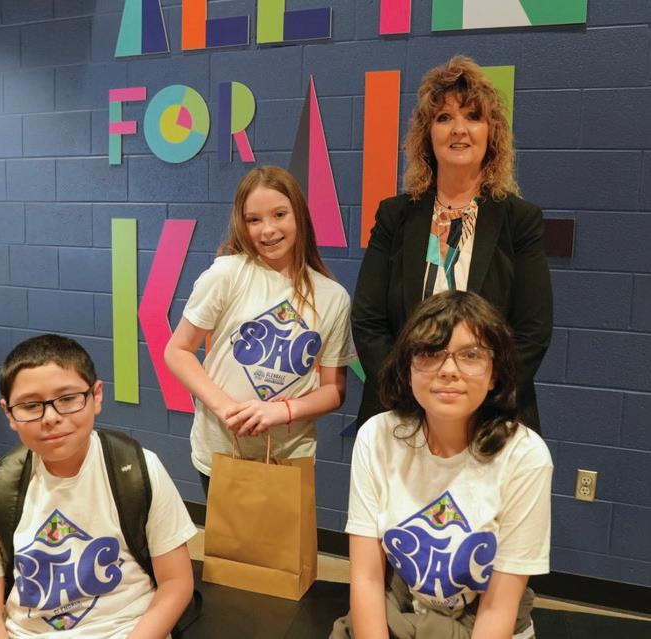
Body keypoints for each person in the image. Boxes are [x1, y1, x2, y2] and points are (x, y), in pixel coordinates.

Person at [332, 290, 553, 639]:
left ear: (494, 373)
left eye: (471, 355)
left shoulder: (525, 456)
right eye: (430, 353)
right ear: (407, 367)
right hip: (404, 611)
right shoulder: (377, 437)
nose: (449, 370)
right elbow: (367, 579)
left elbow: (498, 609)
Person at [352, 55, 552, 432]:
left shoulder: (520, 220)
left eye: (473, 117)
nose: (459, 129)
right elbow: (368, 321)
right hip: (401, 413)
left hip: (490, 418)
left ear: (491, 133)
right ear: (427, 134)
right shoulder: (395, 215)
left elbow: (532, 332)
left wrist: (473, 400)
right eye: (444, 118)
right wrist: (413, 394)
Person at [0, 334, 197, 639]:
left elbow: (176, 582)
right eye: (30, 405)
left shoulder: (138, 469)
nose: (51, 418)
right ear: (9, 414)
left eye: (68, 399)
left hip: (128, 629)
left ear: (96, 396)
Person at [164, 165, 354, 494]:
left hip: (289, 455)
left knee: (285, 530)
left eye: (279, 214)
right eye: (254, 220)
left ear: (299, 215)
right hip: (222, 449)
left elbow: (334, 390)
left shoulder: (333, 297)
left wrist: (281, 411)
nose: (268, 230)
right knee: (226, 530)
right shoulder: (226, 274)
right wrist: (228, 410)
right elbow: (177, 350)